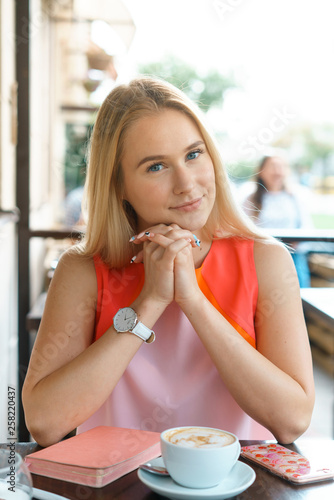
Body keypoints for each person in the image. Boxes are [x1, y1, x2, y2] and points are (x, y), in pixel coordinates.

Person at [22, 77, 314, 448]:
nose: (187, 183)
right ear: (119, 186)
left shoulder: (266, 259)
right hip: (113, 488)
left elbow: (293, 421)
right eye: (156, 166)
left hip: (235, 488)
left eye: (194, 154)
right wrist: (150, 301)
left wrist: (192, 300)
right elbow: (44, 423)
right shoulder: (82, 270)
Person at [243, 154, 312, 287]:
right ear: (261, 171)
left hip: (293, 257)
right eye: (273, 166)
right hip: (262, 256)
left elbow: (306, 226)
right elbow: (244, 228)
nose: (277, 171)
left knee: (298, 292)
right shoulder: (250, 199)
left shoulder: (295, 198)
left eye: (281, 167)